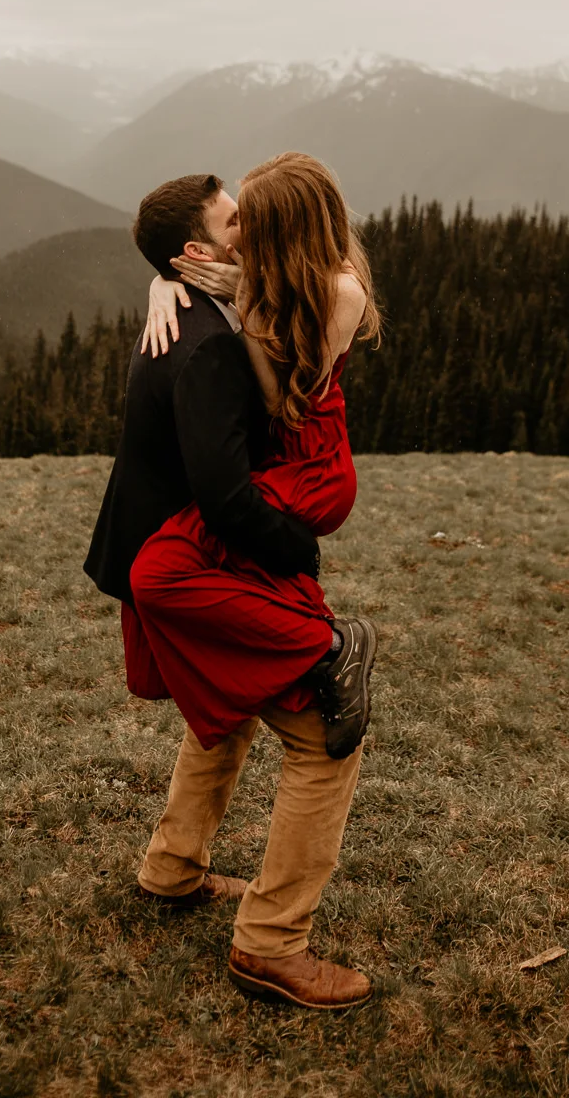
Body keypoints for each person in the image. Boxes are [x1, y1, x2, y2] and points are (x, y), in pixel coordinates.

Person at [83, 159, 379, 1009]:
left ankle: (172, 869)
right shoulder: (209, 344)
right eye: (232, 222)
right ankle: (270, 944)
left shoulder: (200, 308)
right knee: (323, 737)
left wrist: (170, 280)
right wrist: (298, 555)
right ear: (197, 254)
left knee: (231, 702)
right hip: (190, 562)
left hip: (172, 555)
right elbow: (226, 498)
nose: (245, 226)